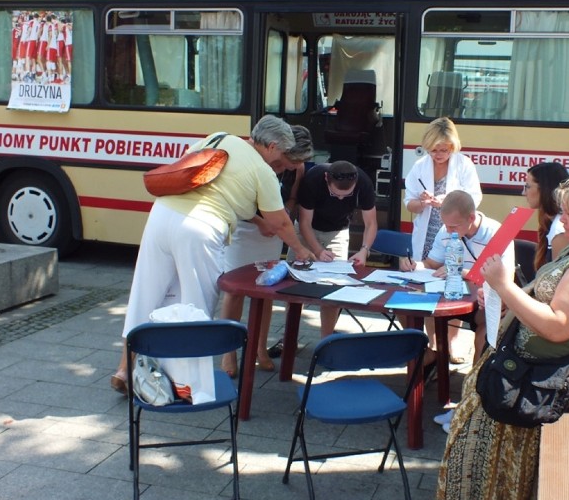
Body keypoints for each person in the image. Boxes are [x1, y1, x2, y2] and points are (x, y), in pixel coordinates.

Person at [420, 175, 569, 500]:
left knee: (474, 421)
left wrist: (504, 287)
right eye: (562, 210)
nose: (561, 218)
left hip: (552, 380)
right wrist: (514, 301)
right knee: (471, 422)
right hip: (532, 371)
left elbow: (558, 325)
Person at [110, 115, 316, 394]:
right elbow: (280, 222)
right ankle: (187, 385)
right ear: (271, 146)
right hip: (200, 229)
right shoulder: (261, 170)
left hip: (161, 215)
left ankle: (124, 367)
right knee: (197, 306)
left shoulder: (218, 138)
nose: (279, 161)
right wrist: (302, 250)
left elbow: (196, 175)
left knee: (145, 294)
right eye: (280, 153)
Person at [219, 125, 313, 377]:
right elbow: (236, 201)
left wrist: (285, 216)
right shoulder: (260, 162)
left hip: (274, 233)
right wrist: (262, 222)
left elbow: (291, 198)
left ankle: (259, 348)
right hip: (247, 229)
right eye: (289, 162)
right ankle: (228, 354)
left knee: (266, 293)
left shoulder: (298, 168)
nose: (292, 167)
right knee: (235, 291)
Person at [400, 189, 513, 363]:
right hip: (450, 298)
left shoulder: (496, 232)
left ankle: (474, 384)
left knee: (485, 333)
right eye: (446, 225)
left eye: (454, 226)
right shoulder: (446, 230)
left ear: (472, 218)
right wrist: (414, 265)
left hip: (482, 302)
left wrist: (460, 271)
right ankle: (431, 355)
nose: (449, 230)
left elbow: (505, 280)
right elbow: (431, 264)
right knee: (401, 304)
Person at [402, 117, 481, 362]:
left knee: (453, 284)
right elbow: (410, 204)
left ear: (453, 146)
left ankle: (451, 344)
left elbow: (474, 199)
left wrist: (447, 200)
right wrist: (423, 202)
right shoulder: (419, 166)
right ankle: (434, 345)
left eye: (444, 150)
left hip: (454, 233)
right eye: (434, 150)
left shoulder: (464, 164)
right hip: (427, 235)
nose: (438, 154)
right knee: (428, 286)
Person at [286, 160, 378, 338]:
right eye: (335, 194)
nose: (341, 199)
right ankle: (289, 337)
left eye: (347, 195)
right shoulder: (313, 179)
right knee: (296, 286)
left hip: (338, 231)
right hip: (308, 229)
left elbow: (371, 222)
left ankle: (326, 340)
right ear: (326, 179)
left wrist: (364, 250)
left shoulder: (363, 182)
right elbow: (304, 223)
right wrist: (318, 251)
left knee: (333, 288)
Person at [524, 161, 569, 275]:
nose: (523, 192)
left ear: (545, 189)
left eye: (528, 187)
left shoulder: (560, 228)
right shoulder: (553, 223)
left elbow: (556, 280)